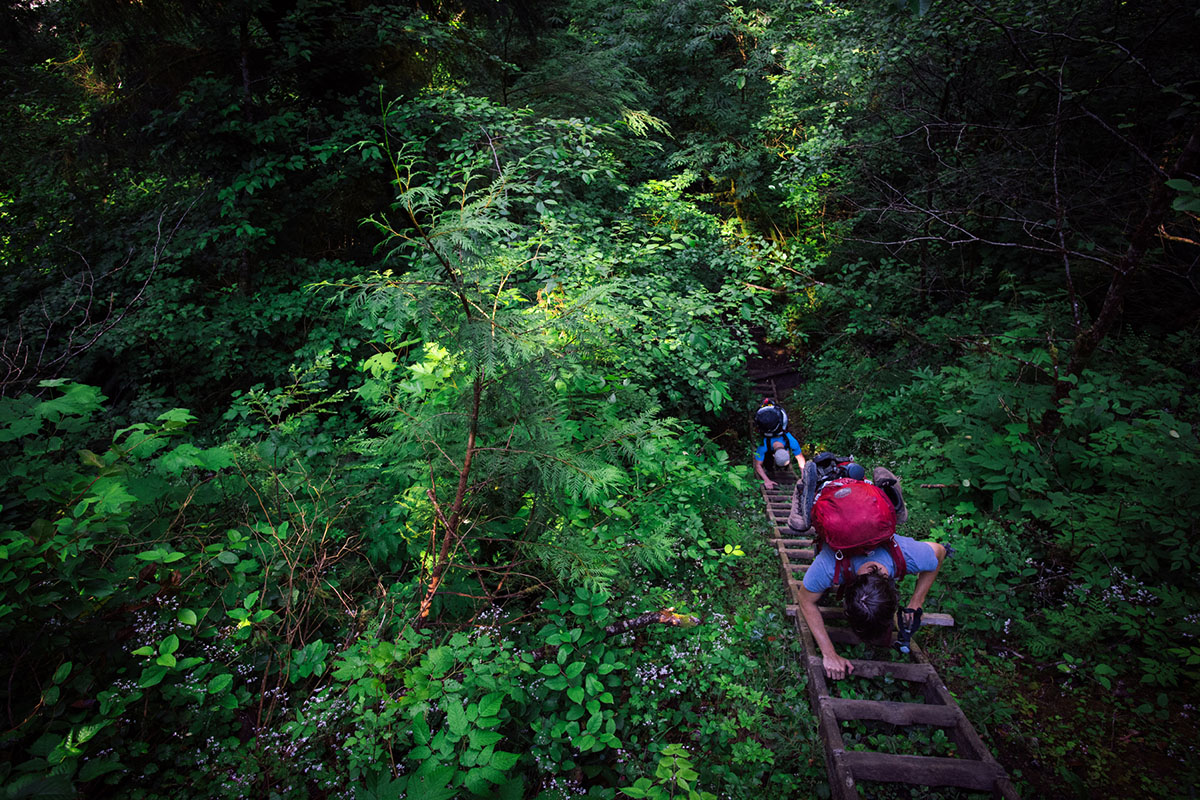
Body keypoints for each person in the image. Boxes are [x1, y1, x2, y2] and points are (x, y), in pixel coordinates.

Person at [752, 398, 805, 490]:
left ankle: (779, 468)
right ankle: (770, 469)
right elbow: (800, 459)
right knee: (767, 463)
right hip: (768, 423)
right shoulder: (791, 442)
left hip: (771, 423)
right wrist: (767, 480)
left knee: (766, 459)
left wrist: (804, 478)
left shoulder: (764, 446)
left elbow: (757, 464)